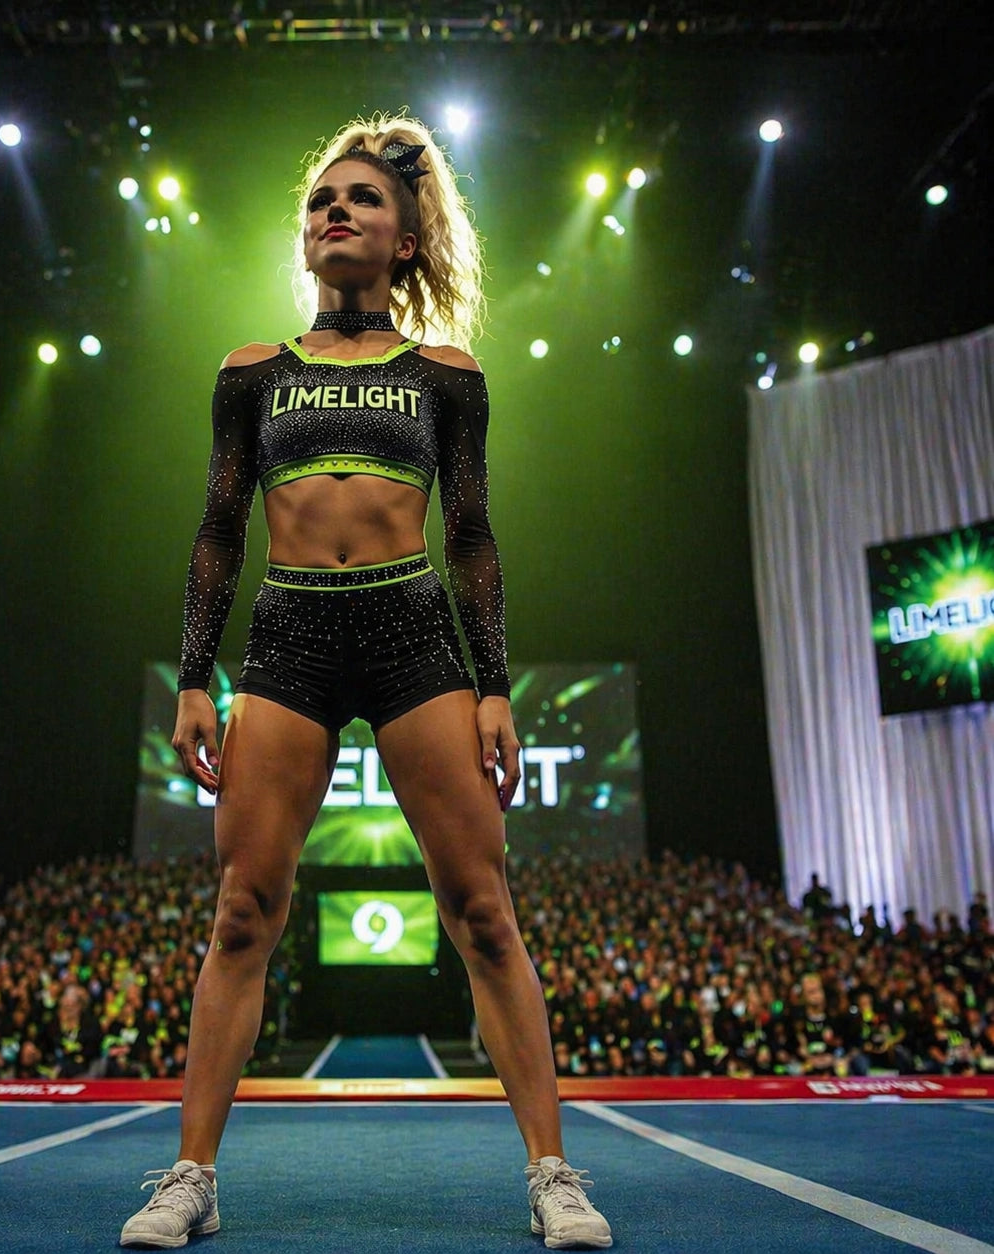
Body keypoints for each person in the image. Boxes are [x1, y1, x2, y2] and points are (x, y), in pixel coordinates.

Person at [118, 113, 612, 1250]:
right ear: (305, 238)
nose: (334, 211)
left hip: (411, 631)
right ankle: (191, 1175)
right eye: (319, 201)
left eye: (362, 199)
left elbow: (472, 536)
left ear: (406, 239)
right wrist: (193, 676)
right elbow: (218, 529)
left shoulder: (449, 374)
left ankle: (553, 1172)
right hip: (289, 633)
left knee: (483, 911)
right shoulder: (252, 372)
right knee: (242, 911)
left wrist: (495, 684)